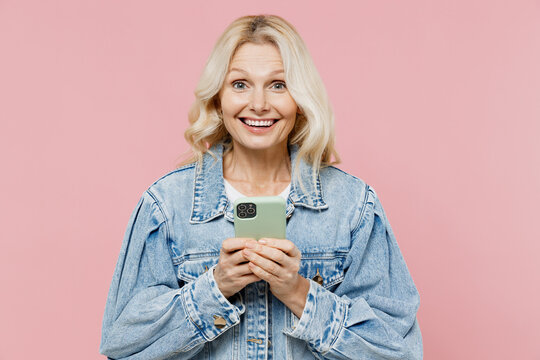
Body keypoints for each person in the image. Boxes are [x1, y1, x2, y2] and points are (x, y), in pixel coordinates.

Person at [99, 14, 423, 360]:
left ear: (299, 101)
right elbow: (123, 346)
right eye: (240, 84)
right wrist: (215, 287)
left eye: (278, 85)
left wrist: (298, 292)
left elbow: (398, 352)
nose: (258, 104)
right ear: (218, 98)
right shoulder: (165, 206)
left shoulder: (352, 206)